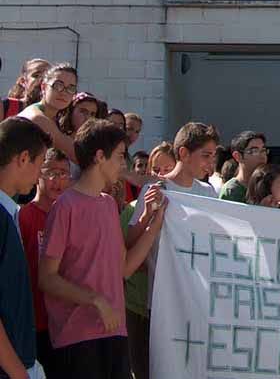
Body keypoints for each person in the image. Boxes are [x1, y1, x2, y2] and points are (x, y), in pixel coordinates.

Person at [39, 119, 165, 379]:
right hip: (77, 340)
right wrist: (95, 300)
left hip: (115, 336)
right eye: (120, 156)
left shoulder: (109, 205)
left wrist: (155, 222)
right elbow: (47, 277)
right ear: (99, 156)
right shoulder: (65, 207)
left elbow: (124, 269)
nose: (123, 165)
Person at [0, 118, 51, 379]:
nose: (40, 173)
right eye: (40, 162)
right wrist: (19, 373)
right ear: (22, 159)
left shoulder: (10, 214)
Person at [120, 143, 174, 379]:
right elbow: (128, 252)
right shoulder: (131, 209)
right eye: (155, 169)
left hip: (170, 305)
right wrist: (146, 218)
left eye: (167, 169)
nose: (160, 176)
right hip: (138, 303)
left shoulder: (189, 202)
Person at [19, 148, 71, 378]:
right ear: (38, 173)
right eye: (51, 172)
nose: (57, 180)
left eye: (63, 173)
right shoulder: (23, 216)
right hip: (34, 322)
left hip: (65, 323)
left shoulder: (71, 216)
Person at [19, 64, 79, 163]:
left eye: (71, 88)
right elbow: (76, 154)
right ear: (44, 87)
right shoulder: (37, 118)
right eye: (58, 85)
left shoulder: (55, 119)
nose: (64, 92)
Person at [219, 131, 268, 203]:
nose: (262, 156)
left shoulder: (267, 186)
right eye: (254, 151)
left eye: (263, 150)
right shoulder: (231, 191)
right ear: (237, 156)